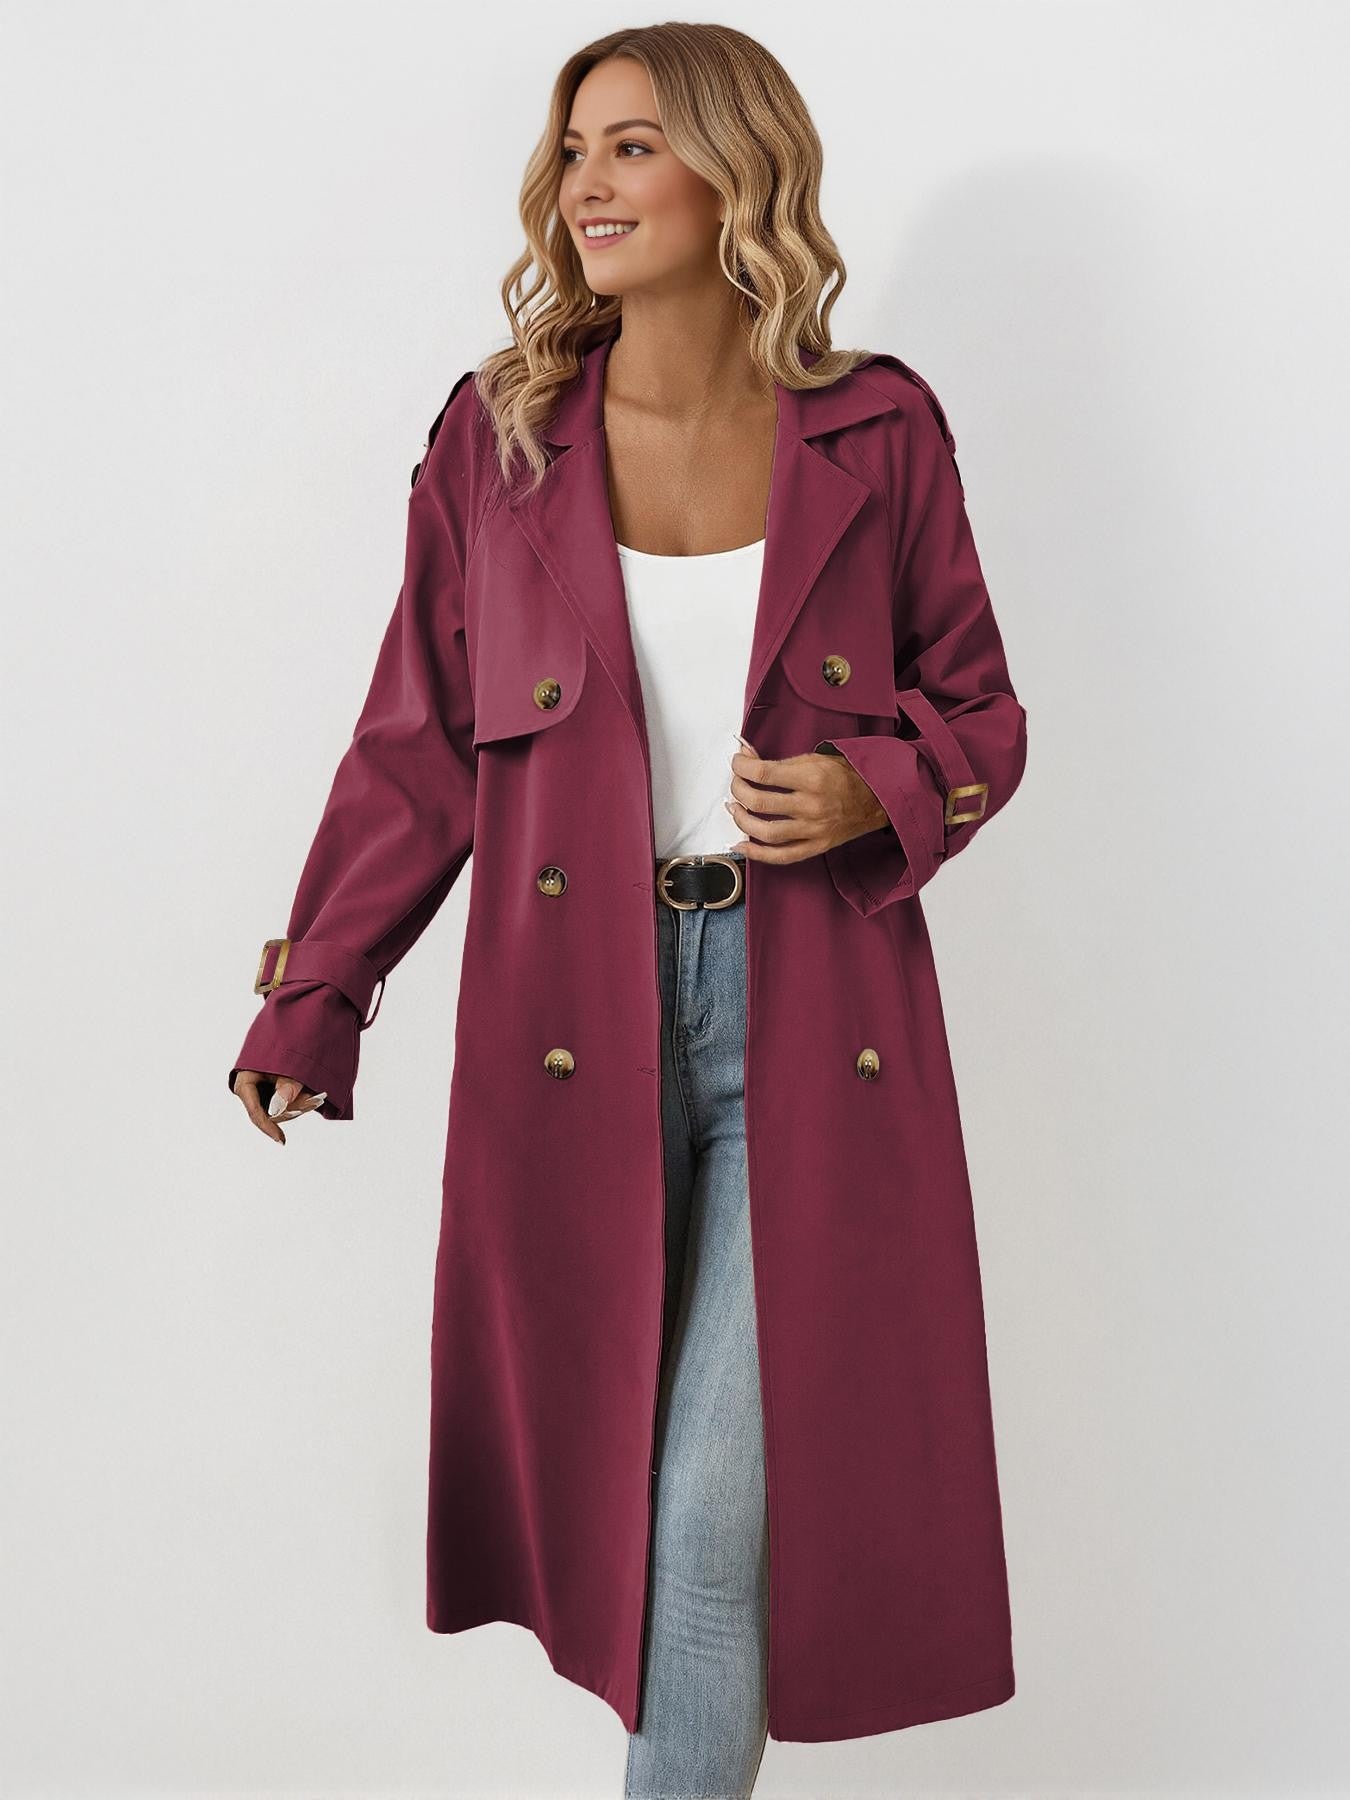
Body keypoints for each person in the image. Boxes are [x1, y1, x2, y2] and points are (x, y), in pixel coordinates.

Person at [231, 25, 1027, 1799]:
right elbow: (416, 747)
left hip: (815, 1020)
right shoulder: (498, 438)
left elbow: (982, 710)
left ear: (738, 171)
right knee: (617, 1517)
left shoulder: (876, 428)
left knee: (707, 1530)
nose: (586, 184)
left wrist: (874, 788)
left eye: (633, 146)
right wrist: (318, 992)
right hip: (569, 1021)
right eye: (574, 150)